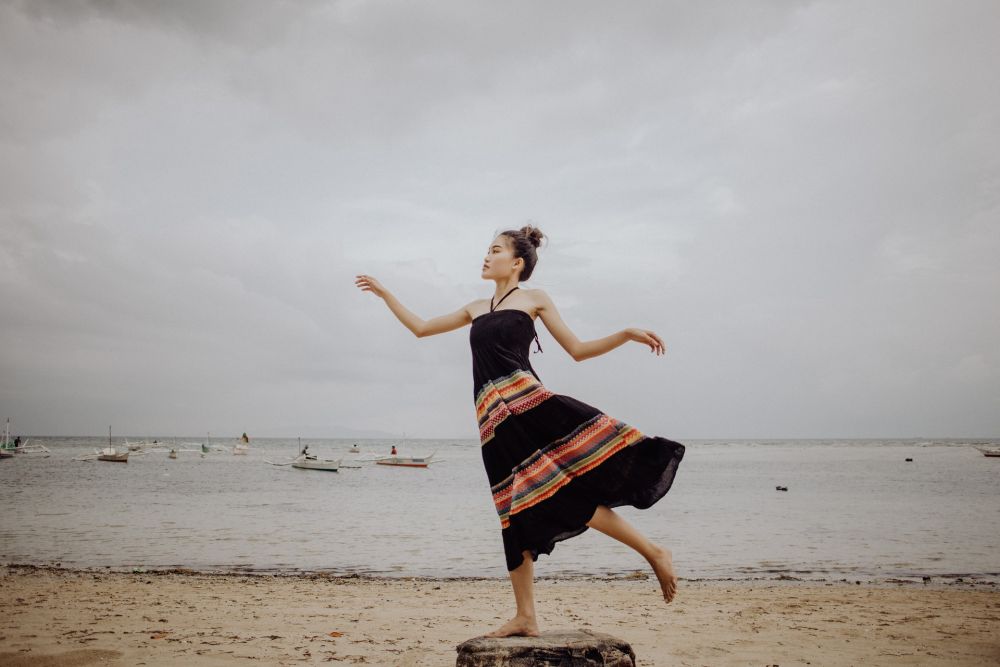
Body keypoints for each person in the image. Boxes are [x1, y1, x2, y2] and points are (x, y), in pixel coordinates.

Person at [354, 225, 684, 638]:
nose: (486, 256)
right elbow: (421, 328)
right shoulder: (475, 308)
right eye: (486, 250)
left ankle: (653, 551)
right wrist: (386, 294)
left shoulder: (534, 299)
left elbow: (578, 350)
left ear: (517, 262)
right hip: (493, 423)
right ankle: (525, 615)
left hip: (530, 407)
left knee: (567, 495)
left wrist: (624, 334)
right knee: (512, 512)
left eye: (494, 250)